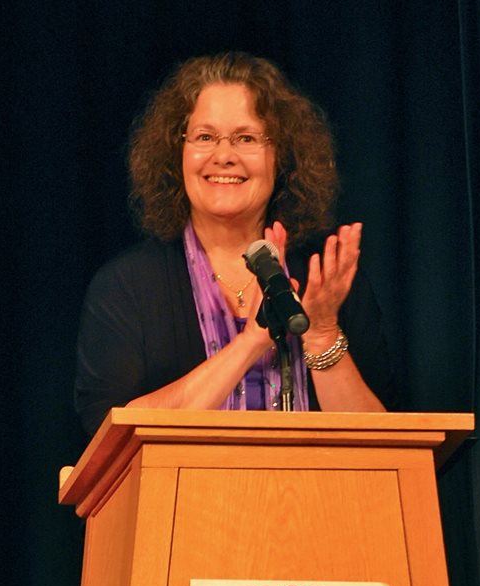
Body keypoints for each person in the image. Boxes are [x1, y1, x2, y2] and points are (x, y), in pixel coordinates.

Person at [75, 52, 397, 437]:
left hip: (315, 499)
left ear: (282, 156)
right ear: (176, 153)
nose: (224, 156)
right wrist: (250, 344)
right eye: (205, 137)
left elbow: (384, 447)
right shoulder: (127, 287)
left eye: (246, 138)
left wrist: (322, 334)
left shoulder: (325, 281)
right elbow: (111, 441)